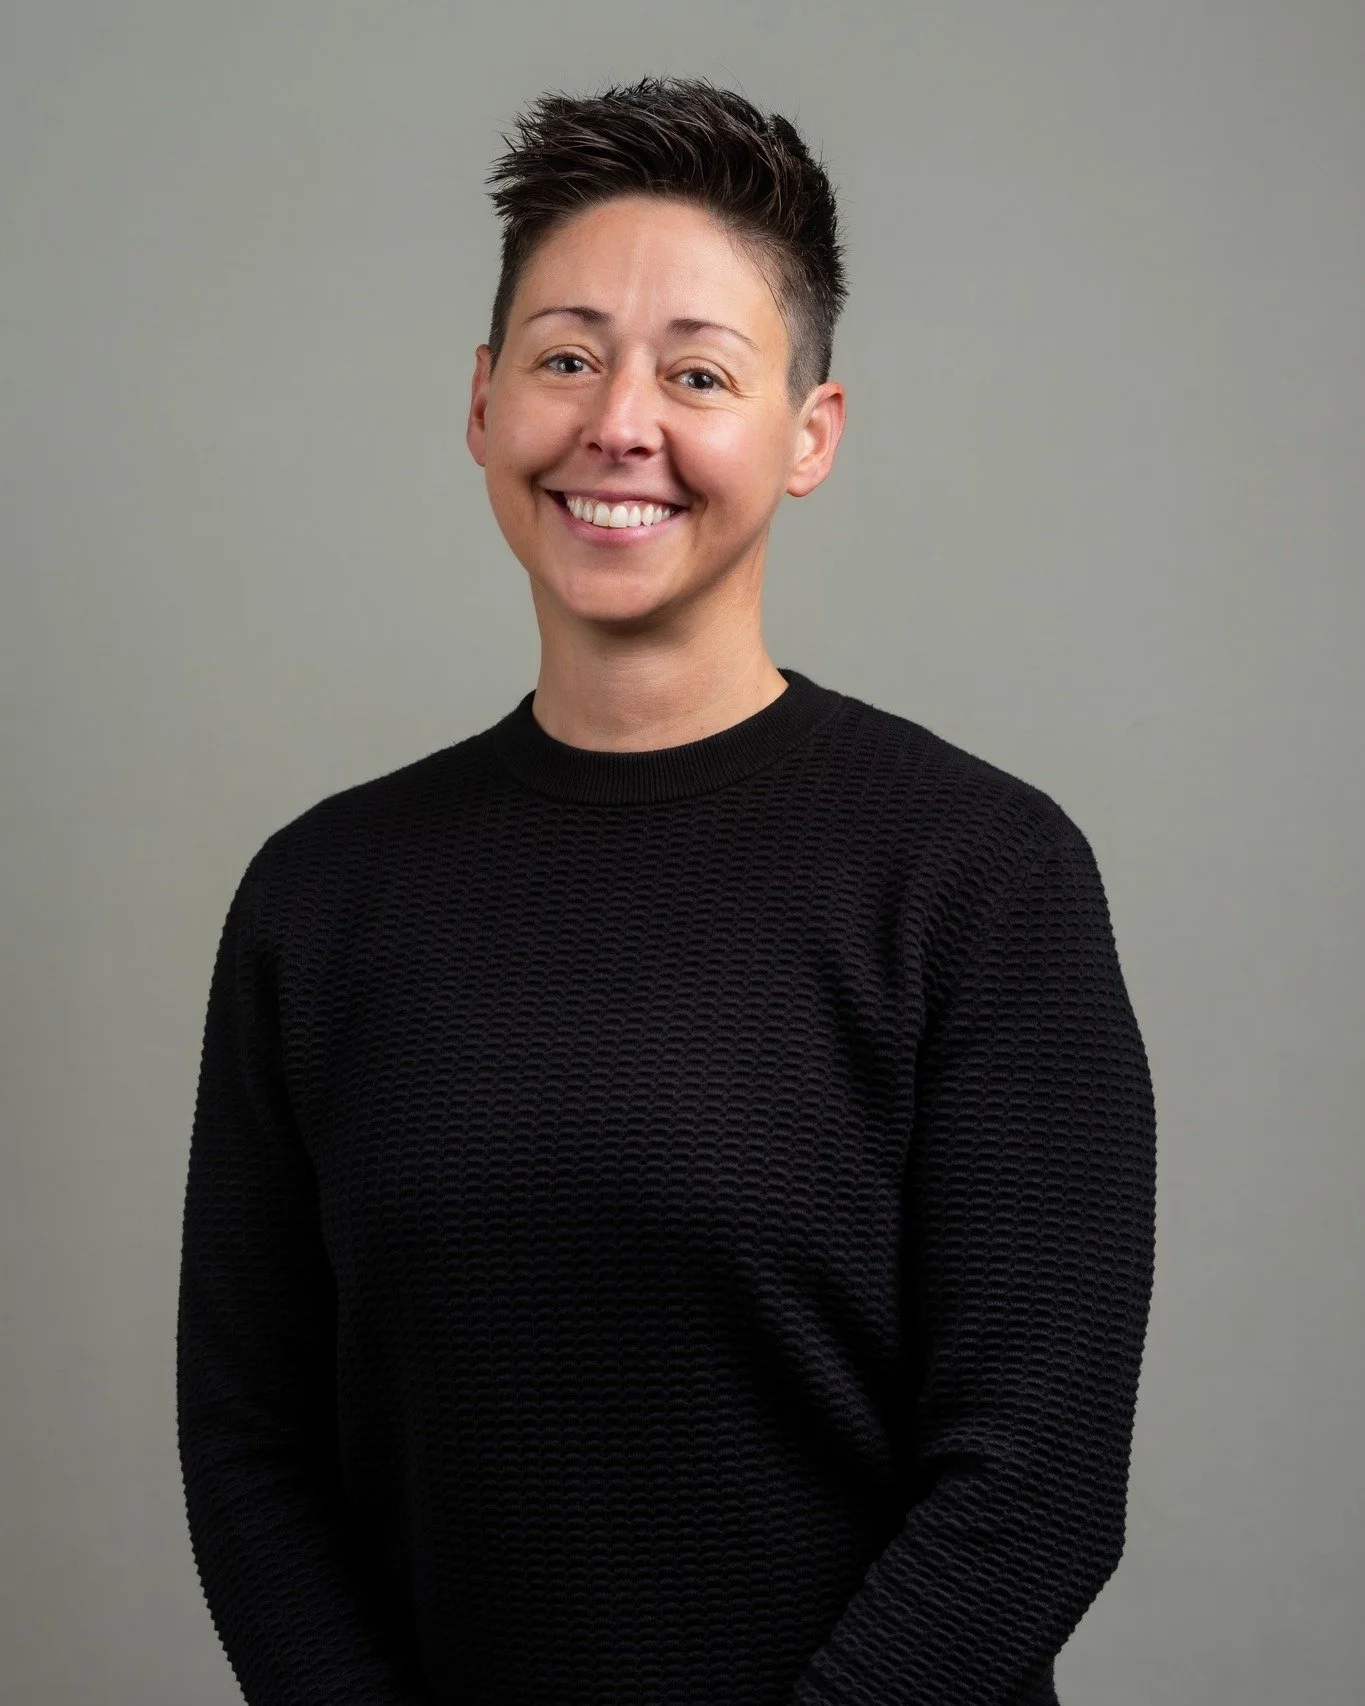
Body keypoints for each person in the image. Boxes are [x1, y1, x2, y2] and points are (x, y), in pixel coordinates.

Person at [176, 75, 1157, 1706]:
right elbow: (252, 1452)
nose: (618, 422)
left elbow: (1032, 1489)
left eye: (699, 372)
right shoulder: (321, 900)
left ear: (809, 433)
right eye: (567, 357)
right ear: (484, 403)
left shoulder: (985, 879)